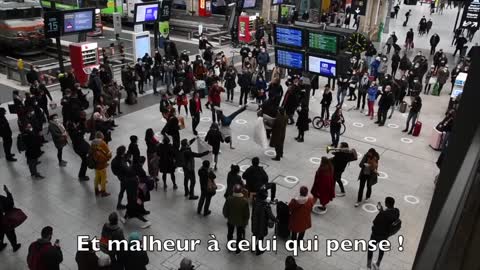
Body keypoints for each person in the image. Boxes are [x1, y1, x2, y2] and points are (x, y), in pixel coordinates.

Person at [367, 197, 400, 270]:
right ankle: (378, 264)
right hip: (386, 235)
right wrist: (382, 211)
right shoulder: (397, 211)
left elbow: (375, 222)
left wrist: (381, 212)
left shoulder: (383, 214)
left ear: (387, 204)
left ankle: (369, 266)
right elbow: (389, 217)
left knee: (370, 248)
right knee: (382, 249)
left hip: (376, 235)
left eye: (385, 202)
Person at [223, 184, 250, 254]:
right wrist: (246, 221)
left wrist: (226, 215)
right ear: (241, 191)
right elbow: (246, 214)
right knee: (239, 235)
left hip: (231, 220)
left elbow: (225, 210)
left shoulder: (229, 199)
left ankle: (230, 246)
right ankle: (238, 249)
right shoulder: (244, 201)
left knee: (230, 233)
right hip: (240, 222)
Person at [251, 189, 276, 256]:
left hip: (255, 222)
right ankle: (258, 251)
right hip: (262, 225)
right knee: (260, 238)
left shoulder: (255, 202)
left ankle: (253, 248)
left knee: (254, 235)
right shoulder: (266, 206)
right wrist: (276, 220)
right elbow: (271, 216)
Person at [0, 185, 21, 252]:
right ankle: (15, 246)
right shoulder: (0, 198)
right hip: (4, 221)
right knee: (10, 234)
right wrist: (7, 192)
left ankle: (0, 245)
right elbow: (10, 203)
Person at [91, 131, 112, 197]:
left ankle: (96, 190)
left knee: (97, 177)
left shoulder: (93, 142)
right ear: (101, 136)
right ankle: (103, 191)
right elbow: (108, 152)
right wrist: (110, 155)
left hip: (95, 162)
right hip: (101, 163)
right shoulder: (102, 143)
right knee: (103, 178)